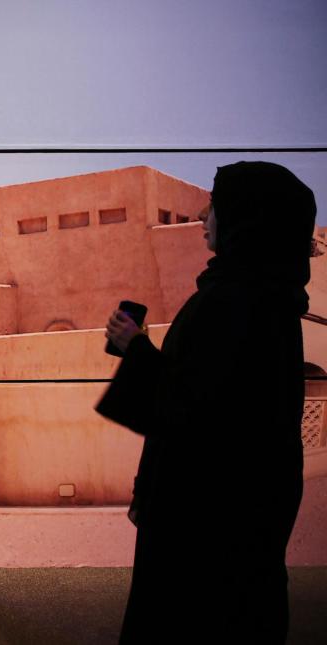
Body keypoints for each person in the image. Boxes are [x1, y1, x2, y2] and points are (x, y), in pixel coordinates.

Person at [97, 161, 316, 644]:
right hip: (238, 527)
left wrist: (134, 347)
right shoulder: (267, 297)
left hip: (205, 536)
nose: (201, 215)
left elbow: (194, 413)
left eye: (213, 205)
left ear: (242, 217)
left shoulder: (233, 301)